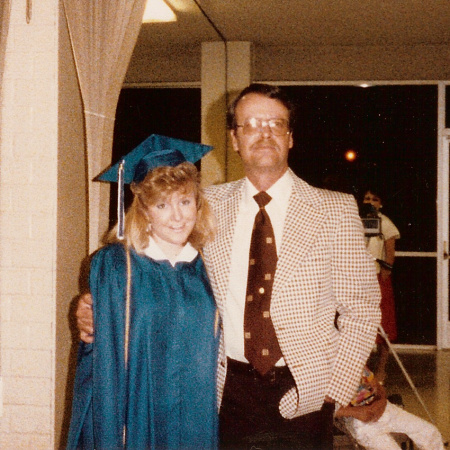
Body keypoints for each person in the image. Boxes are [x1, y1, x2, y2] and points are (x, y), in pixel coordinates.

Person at [77, 84, 381, 449]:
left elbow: (361, 310)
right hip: (223, 392)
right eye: (250, 124)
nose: (264, 132)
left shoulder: (334, 210)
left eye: (275, 124)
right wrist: (96, 304)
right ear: (235, 139)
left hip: (307, 392)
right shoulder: (205, 206)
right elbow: (154, 266)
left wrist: (336, 388)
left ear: (290, 137)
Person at [67, 135, 219, 449]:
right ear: (145, 210)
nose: (177, 216)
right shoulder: (116, 265)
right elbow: (100, 357)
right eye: (162, 204)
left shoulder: (209, 266)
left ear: (197, 203)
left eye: (185, 201)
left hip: (197, 418)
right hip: (134, 418)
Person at [335, 367, 445, 450]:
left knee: (430, 432)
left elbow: (379, 388)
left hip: (383, 409)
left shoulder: (357, 364)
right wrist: (362, 412)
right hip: (360, 422)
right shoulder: (328, 373)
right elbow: (332, 411)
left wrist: (380, 403)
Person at [363, 188, 400, 383]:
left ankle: (382, 369)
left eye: (374, 199)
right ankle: (362, 369)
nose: (370, 202)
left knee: (384, 323)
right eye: (367, 198)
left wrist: (385, 274)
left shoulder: (384, 223)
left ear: (381, 203)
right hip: (361, 278)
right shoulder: (357, 220)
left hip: (379, 277)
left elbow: (390, 253)